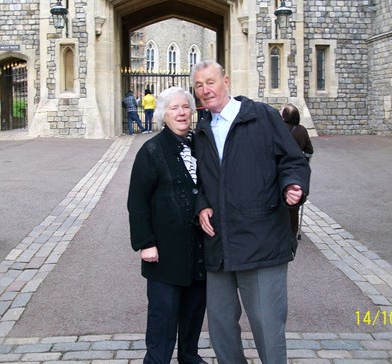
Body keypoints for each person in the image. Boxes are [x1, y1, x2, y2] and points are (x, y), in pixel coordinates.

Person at [191, 60, 311, 364]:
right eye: (199, 86)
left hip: (262, 241)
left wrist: (292, 184)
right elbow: (202, 182)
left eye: (210, 82)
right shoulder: (202, 129)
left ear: (226, 81)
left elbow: (293, 161)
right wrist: (201, 205)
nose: (205, 91)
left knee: (268, 330)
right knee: (221, 331)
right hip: (218, 245)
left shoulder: (262, 116)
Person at [128, 86, 207, 364]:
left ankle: (189, 357)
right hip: (163, 250)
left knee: (193, 311)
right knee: (163, 315)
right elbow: (137, 201)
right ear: (163, 114)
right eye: (174, 108)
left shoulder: (200, 144)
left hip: (199, 249)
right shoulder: (152, 150)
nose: (181, 113)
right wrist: (145, 243)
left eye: (185, 107)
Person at [282, 103, 314, 239]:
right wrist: (304, 163)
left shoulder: (278, 128)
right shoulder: (302, 130)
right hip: (296, 171)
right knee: (293, 205)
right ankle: (292, 233)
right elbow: (309, 151)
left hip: (280, 169)